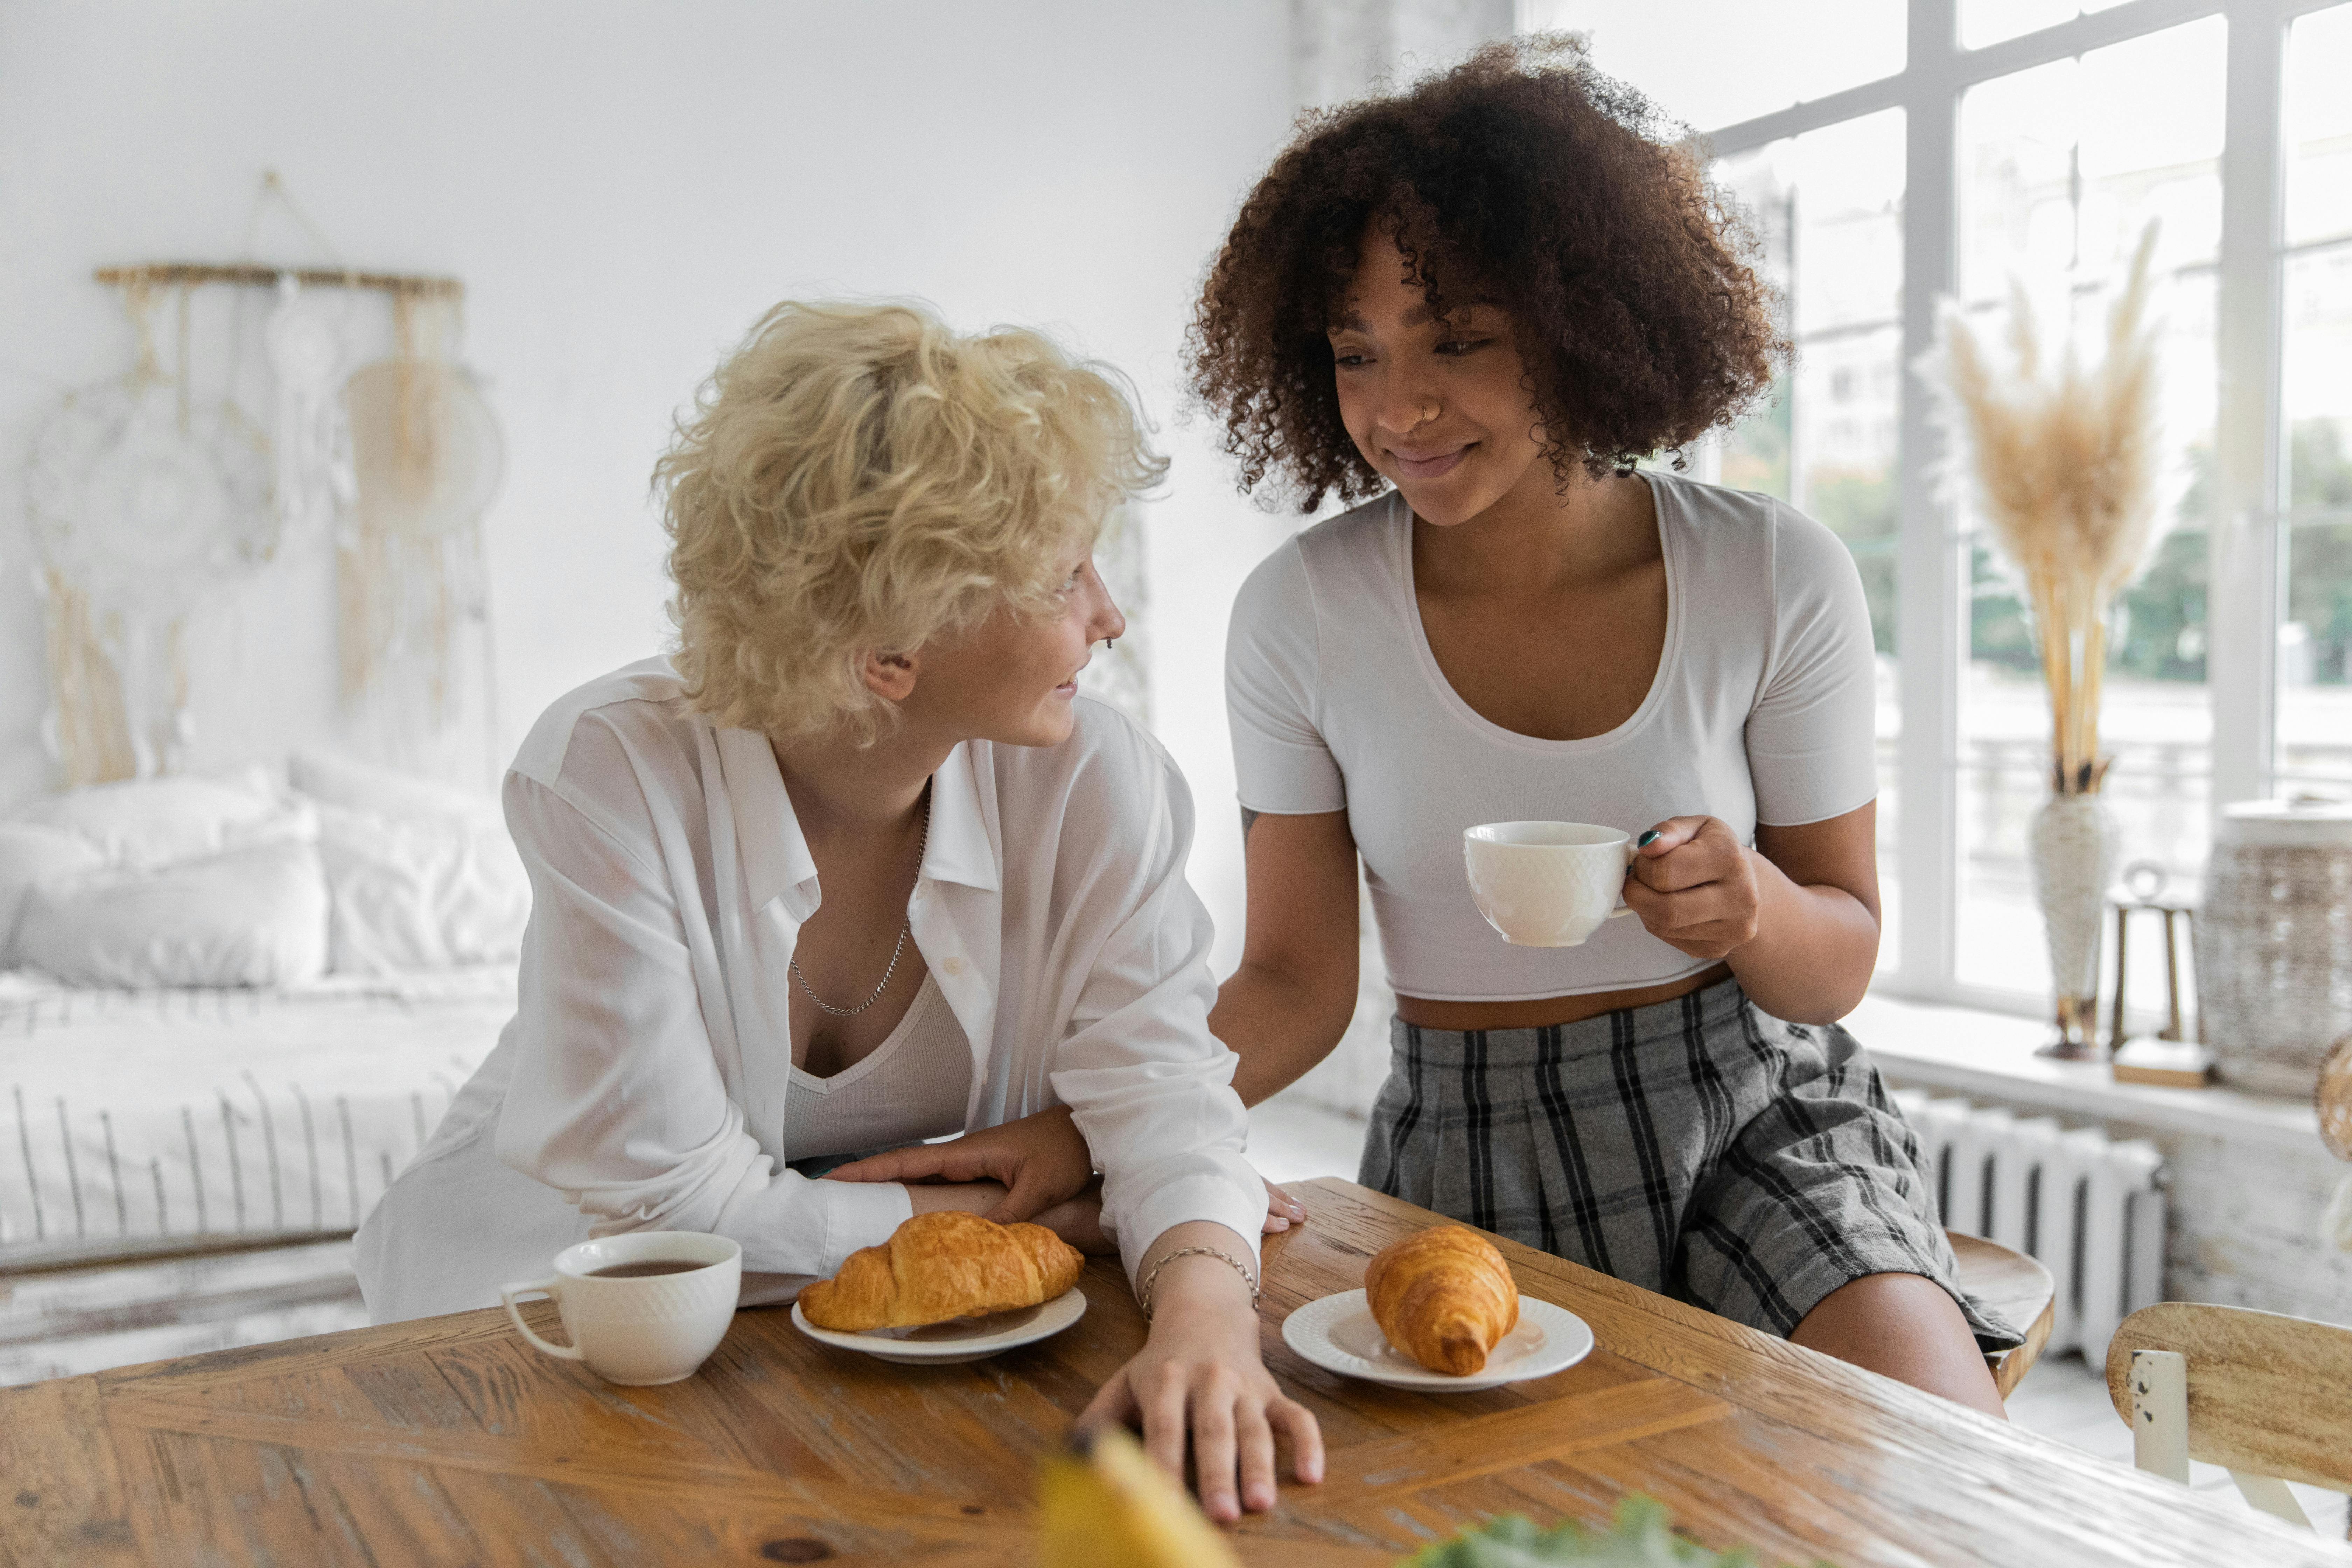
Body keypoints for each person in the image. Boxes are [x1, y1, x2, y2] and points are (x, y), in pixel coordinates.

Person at [855, 38, 2017, 1416]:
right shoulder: (1301, 614)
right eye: (1358, 354)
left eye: (1457, 340)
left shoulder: (1772, 572)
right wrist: (1088, 1128)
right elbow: (1295, 981)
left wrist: (1752, 906)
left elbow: (1837, 962)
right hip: (1472, 1143)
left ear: (1580, 321)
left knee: (1936, 1452)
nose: (1400, 406)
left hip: (1758, 1110)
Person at [354, 300, 1322, 1519]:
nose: (1108, 615)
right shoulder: (610, 771)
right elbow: (672, 1213)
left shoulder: (1093, 775)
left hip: (923, 1352)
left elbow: (1171, 1106)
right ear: (892, 648)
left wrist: (1203, 1320)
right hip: (568, 1333)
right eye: (1062, 573)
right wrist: (1025, 1221)